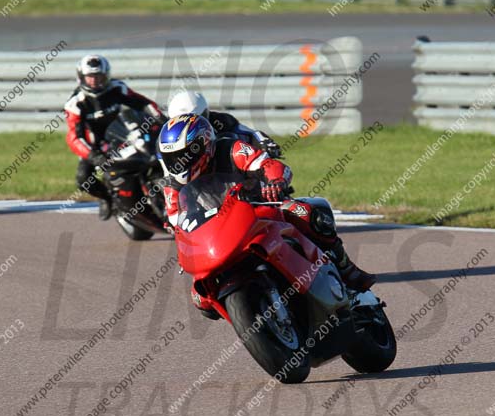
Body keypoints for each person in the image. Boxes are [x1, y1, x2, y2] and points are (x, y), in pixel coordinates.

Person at [158, 114, 375, 295]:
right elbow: (175, 219)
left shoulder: (231, 148)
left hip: (259, 208)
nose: (180, 162)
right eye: (173, 157)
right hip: (217, 232)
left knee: (309, 213)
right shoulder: (172, 185)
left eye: (185, 154)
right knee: (200, 298)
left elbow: (267, 164)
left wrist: (274, 181)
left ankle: (347, 268)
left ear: (203, 143)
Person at [64, 54, 166, 220]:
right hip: (94, 147)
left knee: (153, 153)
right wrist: (93, 156)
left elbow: (144, 104)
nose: (95, 81)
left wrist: (161, 119)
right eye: (90, 77)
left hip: (121, 136)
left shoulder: (117, 88)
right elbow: (74, 137)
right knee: (83, 179)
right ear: (81, 78)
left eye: (98, 76)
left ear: (106, 75)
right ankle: (107, 198)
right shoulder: (76, 104)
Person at [167, 90, 281, 158]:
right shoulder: (168, 135)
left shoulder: (220, 121)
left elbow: (250, 133)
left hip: (224, 173)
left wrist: (265, 143)